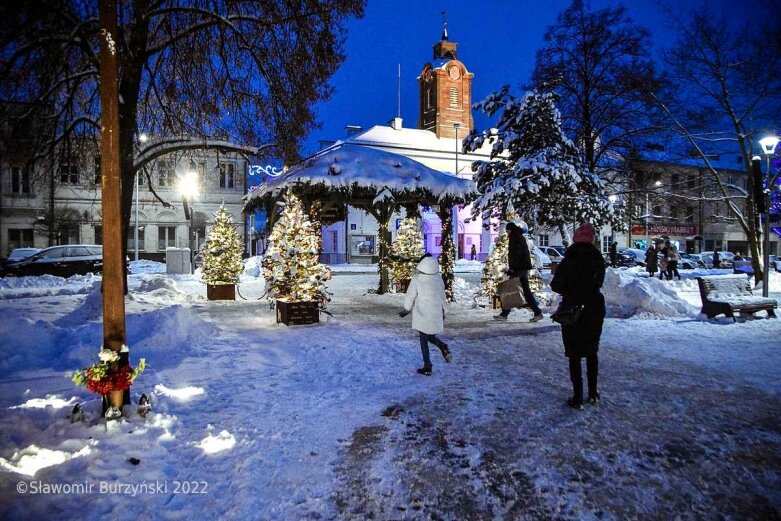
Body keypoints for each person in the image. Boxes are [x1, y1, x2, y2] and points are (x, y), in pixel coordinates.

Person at [550, 223, 606, 410]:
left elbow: (556, 285)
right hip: (594, 308)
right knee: (591, 351)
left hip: (572, 308)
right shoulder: (598, 258)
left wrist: (570, 288)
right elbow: (599, 282)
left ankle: (578, 396)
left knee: (574, 354)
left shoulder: (569, 258)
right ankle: (593, 393)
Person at [398, 254, 452, 376]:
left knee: (423, 339)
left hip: (423, 311)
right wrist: (444, 310)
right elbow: (442, 296)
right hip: (435, 311)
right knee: (430, 336)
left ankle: (427, 366)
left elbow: (411, 294)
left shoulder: (417, 278)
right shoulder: (438, 278)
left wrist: (406, 309)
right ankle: (443, 346)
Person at [495, 220, 544, 322]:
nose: (507, 232)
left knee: (510, 290)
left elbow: (516, 254)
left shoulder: (514, 238)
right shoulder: (519, 236)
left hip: (519, 268)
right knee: (525, 291)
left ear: (510, 230)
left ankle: (504, 314)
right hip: (522, 268)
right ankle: (537, 312)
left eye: (507, 230)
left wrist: (512, 268)